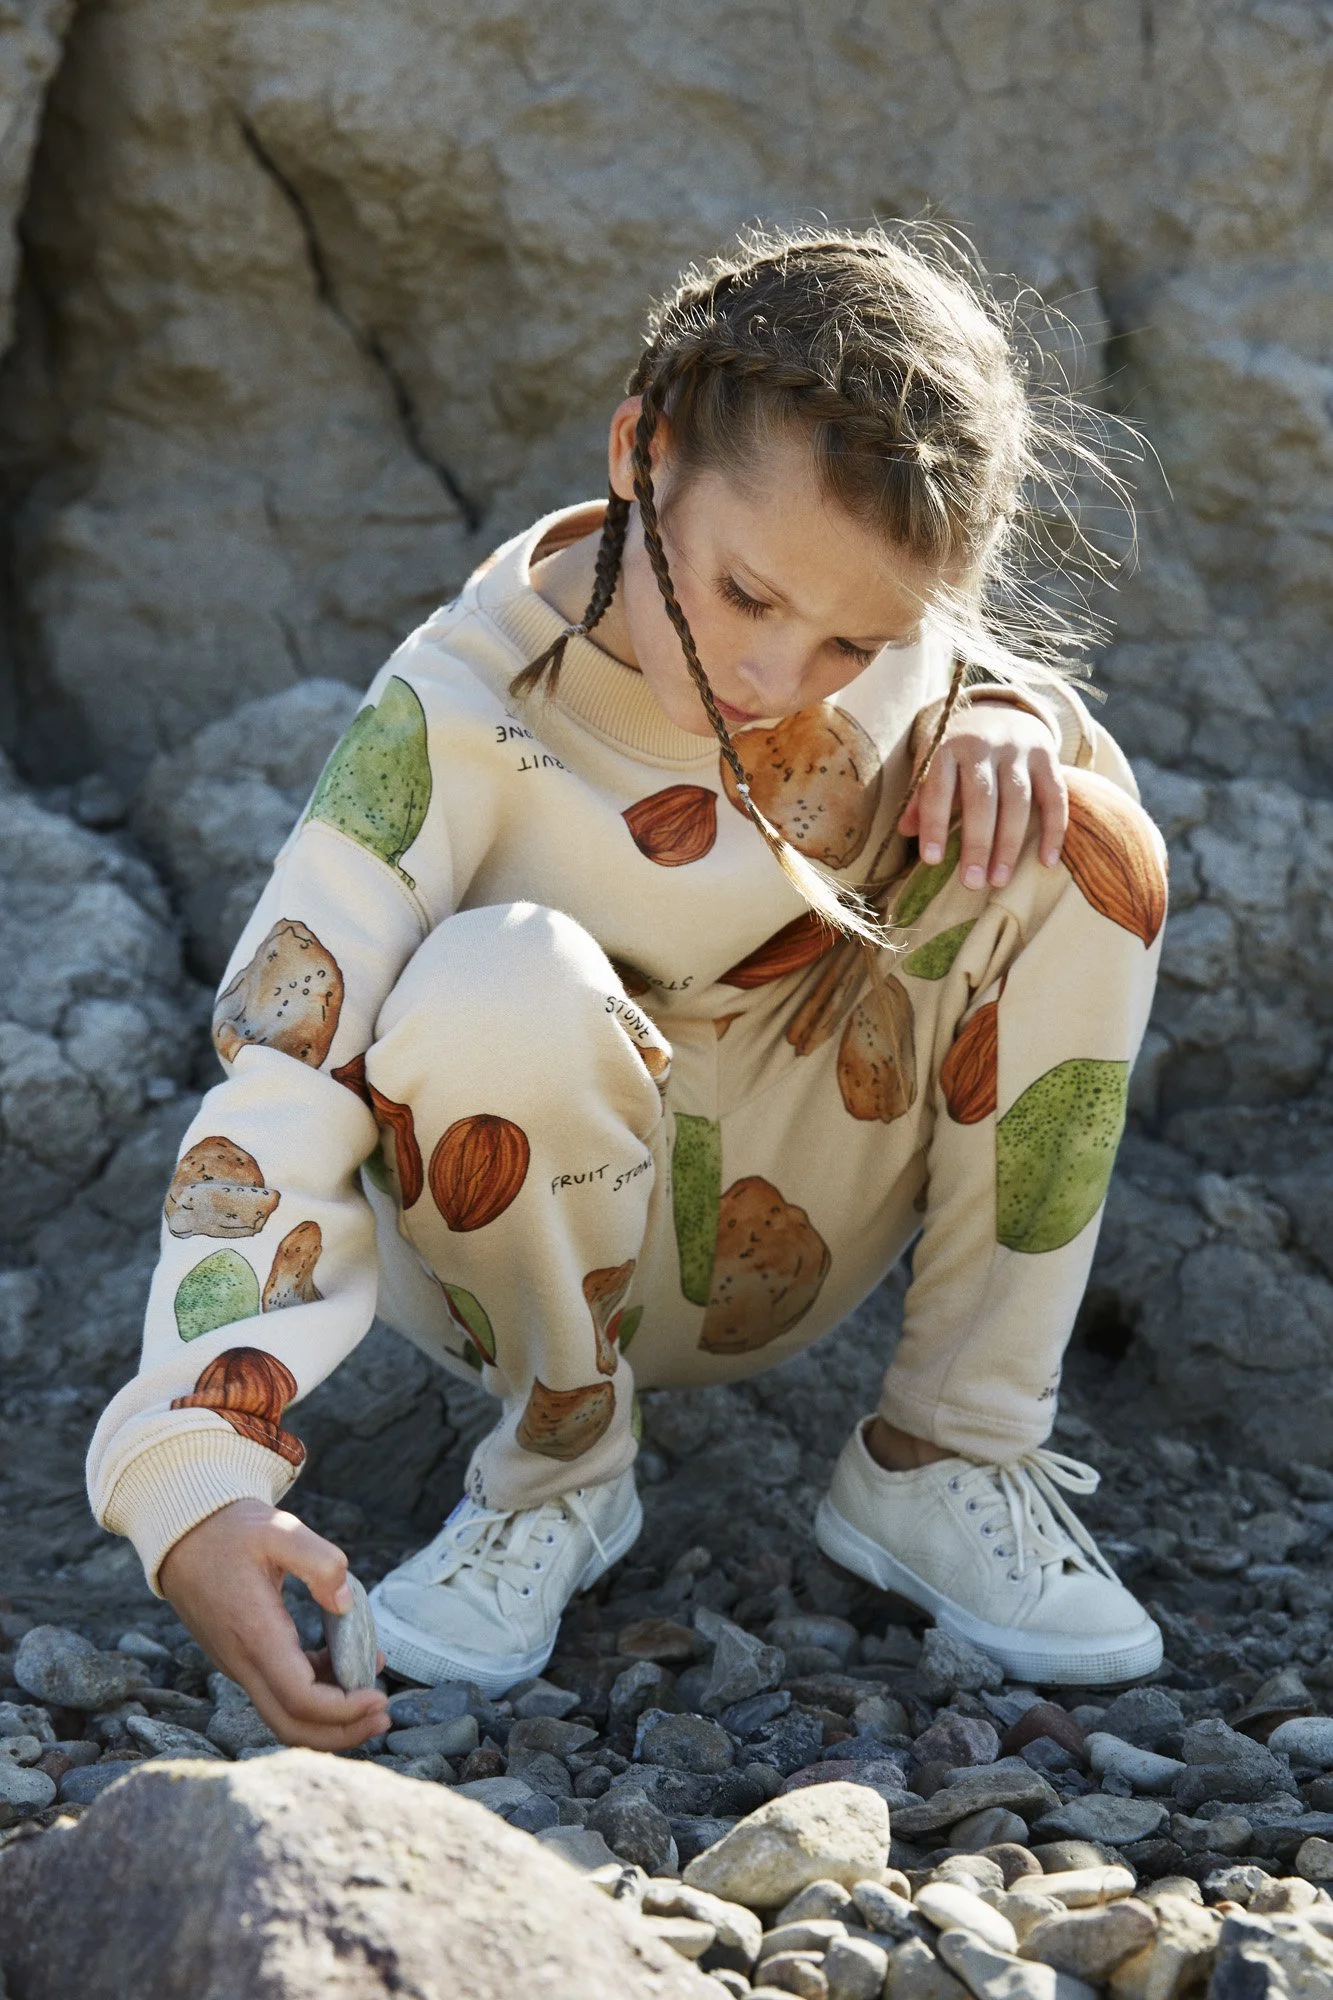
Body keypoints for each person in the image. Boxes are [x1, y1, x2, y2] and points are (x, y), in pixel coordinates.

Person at [85, 225, 1168, 1752]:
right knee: (496, 979)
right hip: (519, 1237)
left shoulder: (875, 641)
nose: (780, 675)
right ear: (640, 452)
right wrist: (195, 1478)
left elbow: (949, 671)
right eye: (741, 596)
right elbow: (282, 1065)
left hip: (799, 1207)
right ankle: (557, 1481)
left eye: (858, 638)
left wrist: (1015, 712)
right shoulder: (455, 708)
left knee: (1078, 830)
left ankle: (949, 1456)